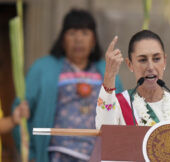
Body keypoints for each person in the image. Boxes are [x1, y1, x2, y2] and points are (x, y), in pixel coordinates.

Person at [12, 9, 123, 162]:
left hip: (99, 155)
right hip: (55, 154)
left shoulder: (107, 71)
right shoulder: (43, 68)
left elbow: (121, 113)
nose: (78, 39)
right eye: (72, 33)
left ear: (94, 40)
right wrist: (30, 155)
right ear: (62, 39)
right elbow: (20, 114)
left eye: (84, 33)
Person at [95, 30, 170, 129]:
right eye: (143, 60)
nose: (151, 67)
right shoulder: (119, 103)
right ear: (130, 64)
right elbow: (104, 131)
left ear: (165, 61)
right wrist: (109, 75)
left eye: (156, 59)